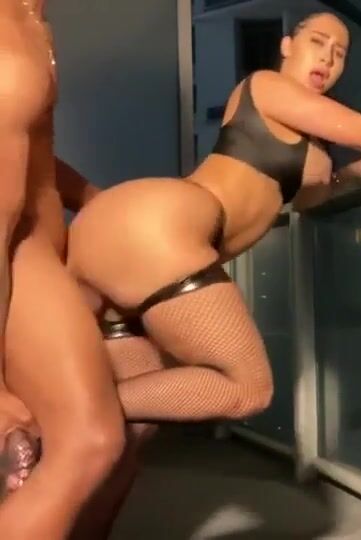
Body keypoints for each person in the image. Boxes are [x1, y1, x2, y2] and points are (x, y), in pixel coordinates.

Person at [66, 11, 361, 430]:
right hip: (158, 223)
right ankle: (60, 414)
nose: (327, 58)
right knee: (248, 389)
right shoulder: (265, 86)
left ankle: (61, 423)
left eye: (340, 53)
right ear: (287, 46)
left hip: (115, 229)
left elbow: (321, 192)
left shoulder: (315, 149)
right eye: (317, 42)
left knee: (120, 438)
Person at [0, 1, 127, 538]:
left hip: (34, 244)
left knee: (100, 448)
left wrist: (101, 201)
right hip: (15, 246)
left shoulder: (31, 20)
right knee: (89, 441)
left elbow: (30, 152)